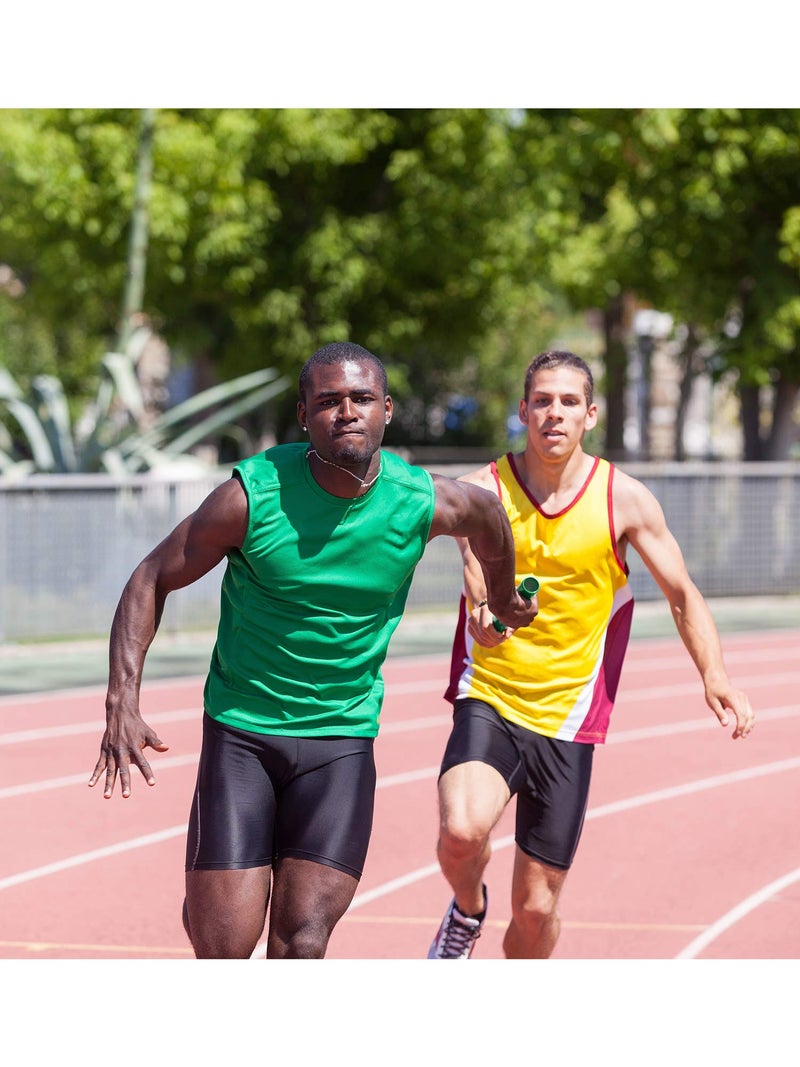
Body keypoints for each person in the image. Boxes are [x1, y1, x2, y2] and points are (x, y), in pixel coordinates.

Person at [88, 340, 536, 960]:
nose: (345, 411)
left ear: (387, 409)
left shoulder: (422, 500)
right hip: (244, 735)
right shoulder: (251, 497)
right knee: (224, 947)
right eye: (328, 401)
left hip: (341, 741)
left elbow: (489, 518)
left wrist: (508, 597)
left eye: (360, 398)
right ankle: (210, 901)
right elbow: (149, 578)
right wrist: (122, 700)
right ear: (304, 416)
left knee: (302, 942)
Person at [427, 349, 755, 960]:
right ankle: (467, 911)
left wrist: (716, 675)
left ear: (591, 414)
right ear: (523, 410)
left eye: (569, 401)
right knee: (460, 831)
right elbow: (476, 588)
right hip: (492, 694)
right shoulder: (480, 491)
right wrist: (485, 622)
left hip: (570, 717)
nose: (555, 413)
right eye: (543, 401)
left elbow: (682, 594)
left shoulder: (624, 500)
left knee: (536, 910)